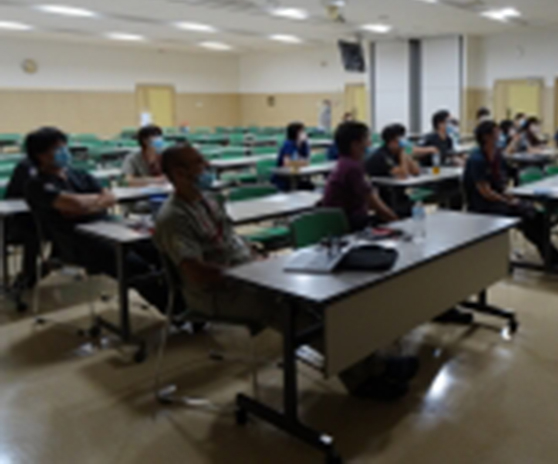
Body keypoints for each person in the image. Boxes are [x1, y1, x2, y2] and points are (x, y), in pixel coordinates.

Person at [154, 144, 415, 400]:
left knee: (319, 296)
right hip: (217, 293)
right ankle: (365, 377)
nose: (206, 167)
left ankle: (371, 362)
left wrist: (260, 260)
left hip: (248, 275)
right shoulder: (174, 217)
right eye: (199, 163)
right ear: (179, 173)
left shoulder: (209, 202)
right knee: (286, 304)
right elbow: (195, 272)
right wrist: (247, 273)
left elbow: (232, 240)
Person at [23, 127, 170, 314]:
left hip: (108, 227)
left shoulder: (79, 174)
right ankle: (174, 311)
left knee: (157, 251)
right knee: (135, 267)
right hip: (77, 241)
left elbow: (109, 197)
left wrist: (84, 206)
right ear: (40, 155)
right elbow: (75, 204)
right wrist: (92, 203)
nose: (64, 152)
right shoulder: (37, 184)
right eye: (57, 149)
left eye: (64, 147)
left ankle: (184, 301)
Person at [464, 121, 558, 265]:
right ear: (486, 137)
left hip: (498, 199)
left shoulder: (497, 155)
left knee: (536, 214)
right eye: (495, 132)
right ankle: (551, 256)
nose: (499, 135)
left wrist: (511, 196)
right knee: (525, 215)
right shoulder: (477, 159)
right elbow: (485, 192)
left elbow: (504, 180)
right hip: (484, 205)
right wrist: (507, 200)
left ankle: (551, 254)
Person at [321, 121, 397, 231]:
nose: (369, 144)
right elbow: (375, 205)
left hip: (349, 221)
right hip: (348, 227)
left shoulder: (345, 163)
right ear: (355, 144)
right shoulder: (352, 168)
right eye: (366, 139)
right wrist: (398, 222)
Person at [365, 124, 420, 218]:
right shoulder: (381, 155)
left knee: (414, 199)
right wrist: (403, 154)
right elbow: (403, 175)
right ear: (392, 142)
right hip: (383, 195)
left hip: (396, 192)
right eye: (400, 140)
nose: (403, 142)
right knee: (408, 201)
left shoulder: (396, 152)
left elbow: (416, 171)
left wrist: (407, 153)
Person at [6, 157, 40, 301]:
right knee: (33, 232)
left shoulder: (57, 167)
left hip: (47, 217)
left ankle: (52, 262)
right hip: (24, 219)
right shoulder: (26, 167)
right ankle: (28, 274)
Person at [417, 110, 463, 210]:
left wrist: (458, 160)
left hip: (444, 173)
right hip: (430, 175)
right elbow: (410, 151)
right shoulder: (429, 138)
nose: (452, 125)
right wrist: (428, 150)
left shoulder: (448, 139)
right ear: (440, 124)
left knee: (458, 188)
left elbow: (449, 155)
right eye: (449, 122)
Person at [272, 121, 312, 191]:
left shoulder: (304, 144)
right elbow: (286, 163)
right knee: (304, 187)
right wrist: (301, 163)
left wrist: (299, 163)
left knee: (310, 186)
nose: (305, 133)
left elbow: (307, 161)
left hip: (296, 174)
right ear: (295, 133)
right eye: (302, 131)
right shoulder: (288, 144)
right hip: (283, 177)